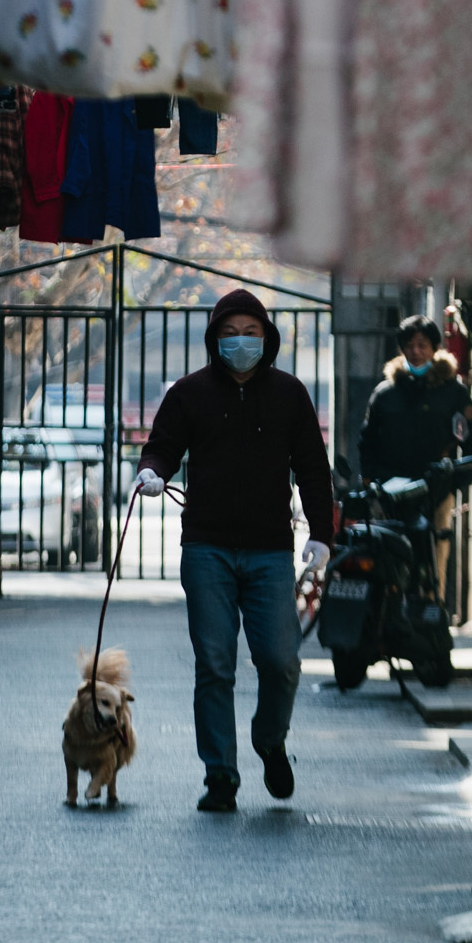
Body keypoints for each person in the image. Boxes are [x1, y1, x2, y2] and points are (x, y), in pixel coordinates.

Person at [136, 288, 337, 813]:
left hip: (271, 551)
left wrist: (320, 534)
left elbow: (313, 469)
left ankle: (270, 740)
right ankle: (220, 774)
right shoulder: (189, 393)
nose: (241, 342)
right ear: (214, 340)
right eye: (229, 334)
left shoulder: (290, 394)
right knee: (215, 663)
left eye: (250, 333)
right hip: (207, 549)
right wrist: (152, 472)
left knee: (281, 660)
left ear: (266, 338)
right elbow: (162, 444)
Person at [358, 315, 472, 611]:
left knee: (436, 552)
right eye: (409, 346)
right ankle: (389, 609)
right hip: (390, 491)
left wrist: (457, 479)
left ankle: (432, 614)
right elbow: (367, 439)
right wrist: (370, 479)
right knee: (389, 550)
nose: (416, 352)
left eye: (422, 345)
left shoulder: (453, 392)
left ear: (435, 348)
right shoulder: (385, 394)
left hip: (435, 490)